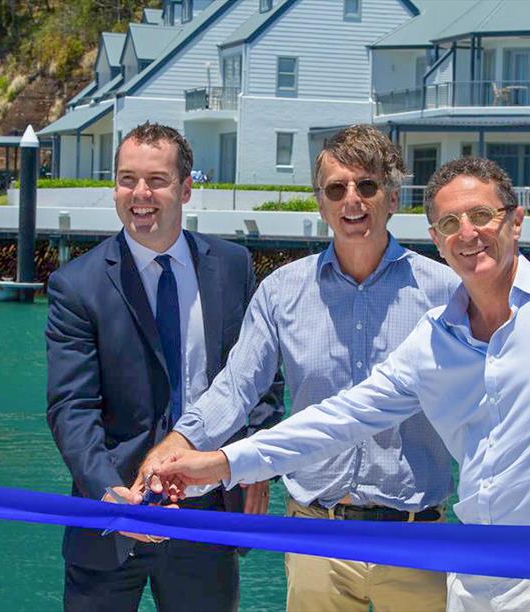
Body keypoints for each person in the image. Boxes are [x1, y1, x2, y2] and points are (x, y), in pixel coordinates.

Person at [154, 156, 530, 611]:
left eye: (482, 216)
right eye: (451, 224)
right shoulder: (433, 342)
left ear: (516, 219)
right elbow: (339, 418)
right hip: (469, 576)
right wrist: (221, 464)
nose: (468, 234)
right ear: (435, 235)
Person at [140, 124, 460, 611]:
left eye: (367, 186)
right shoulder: (281, 292)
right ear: (320, 203)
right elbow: (235, 388)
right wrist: (177, 445)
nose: (352, 200)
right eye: (337, 189)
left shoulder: (446, 292)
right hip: (315, 533)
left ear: (392, 199)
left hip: (417, 538)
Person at [45, 122, 283, 612]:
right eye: (127, 179)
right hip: (111, 515)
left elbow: (262, 381)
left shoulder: (233, 267)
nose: (140, 194)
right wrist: (108, 493)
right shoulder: (76, 286)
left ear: (187, 188)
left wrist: (252, 466)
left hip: (208, 512)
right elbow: (72, 408)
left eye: (156, 180)